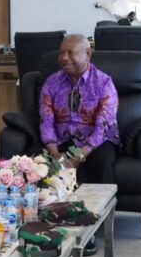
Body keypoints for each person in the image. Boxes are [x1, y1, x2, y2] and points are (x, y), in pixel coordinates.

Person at [38, 34, 119, 183]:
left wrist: (81, 155)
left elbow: (103, 127)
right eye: (62, 53)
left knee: (103, 161)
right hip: (62, 139)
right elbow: (46, 122)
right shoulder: (51, 82)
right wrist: (55, 154)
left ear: (87, 54)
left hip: (97, 142)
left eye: (70, 52)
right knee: (38, 163)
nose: (64, 58)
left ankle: (101, 198)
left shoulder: (104, 83)